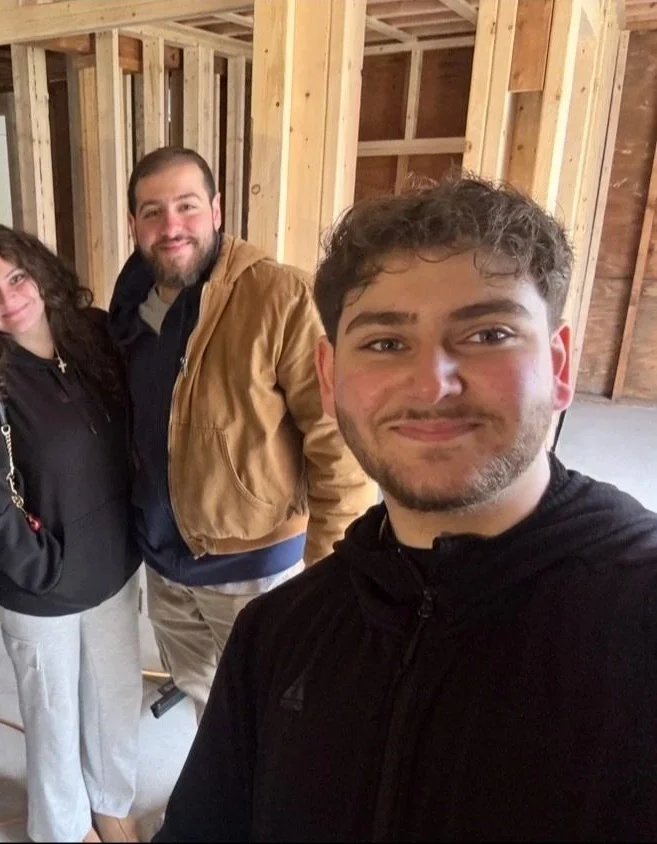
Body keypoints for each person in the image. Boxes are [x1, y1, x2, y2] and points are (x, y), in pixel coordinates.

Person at [155, 176, 657, 841]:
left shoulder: (638, 617)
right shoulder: (278, 635)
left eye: (487, 334)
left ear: (558, 365)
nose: (431, 383)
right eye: (385, 343)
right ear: (332, 380)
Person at [108, 147, 374, 720]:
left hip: (254, 570)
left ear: (217, 210)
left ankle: (269, 812)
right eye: (152, 212)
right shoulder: (132, 302)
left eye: (186, 206)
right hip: (167, 566)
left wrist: (331, 577)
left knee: (275, 713)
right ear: (133, 224)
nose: (170, 226)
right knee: (208, 706)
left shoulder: (279, 298)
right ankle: (221, 806)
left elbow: (341, 448)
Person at [0, 225, 142, 843]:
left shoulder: (94, 335)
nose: (8, 299)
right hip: (44, 588)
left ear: (39, 273)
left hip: (115, 567)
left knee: (114, 705)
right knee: (54, 723)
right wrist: (43, 570)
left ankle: (111, 806)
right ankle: (62, 830)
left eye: (16, 279)